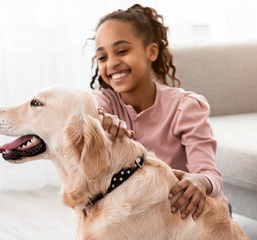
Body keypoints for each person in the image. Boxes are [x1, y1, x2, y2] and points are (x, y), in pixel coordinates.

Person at [90, 4, 229, 220]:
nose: (112, 63)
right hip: (148, 218)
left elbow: (210, 175)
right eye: (102, 57)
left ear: (151, 51)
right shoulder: (103, 103)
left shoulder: (186, 106)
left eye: (122, 51)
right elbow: (90, 114)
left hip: (193, 211)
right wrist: (102, 123)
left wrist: (200, 182)